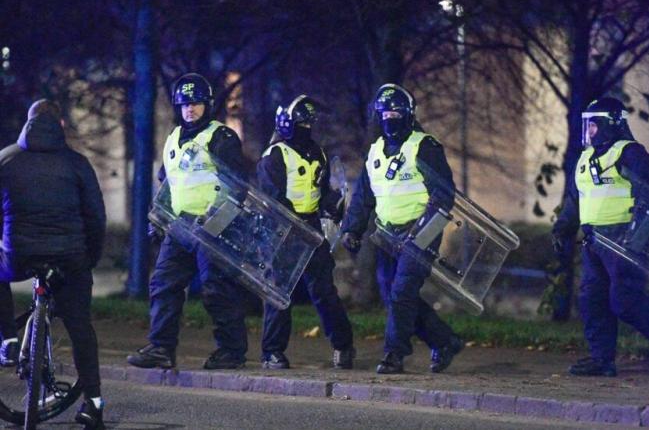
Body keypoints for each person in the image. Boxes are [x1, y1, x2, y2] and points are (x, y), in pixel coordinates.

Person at [127, 73, 250, 371]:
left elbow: (237, 186)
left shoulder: (221, 136)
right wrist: (159, 219)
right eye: (184, 104)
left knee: (215, 289)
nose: (190, 109)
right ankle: (161, 348)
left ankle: (231, 351)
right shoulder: (173, 138)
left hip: (212, 227)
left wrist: (217, 221)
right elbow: (167, 183)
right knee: (163, 284)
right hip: (180, 227)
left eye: (195, 103)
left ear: (207, 105)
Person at [340, 84, 463, 374]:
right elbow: (363, 197)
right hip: (387, 234)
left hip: (421, 233)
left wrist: (422, 230)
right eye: (384, 113)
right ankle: (444, 341)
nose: (390, 118)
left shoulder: (424, 146)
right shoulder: (375, 152)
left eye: (396, 112)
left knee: (401, 292)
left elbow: (444, 194)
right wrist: (352, 229)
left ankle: (394, 354)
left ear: (408, 114)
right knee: (394, 295)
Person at [552, 97, 649, 377]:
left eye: (594, 125)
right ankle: (602, 360)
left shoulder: (629, 153)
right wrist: (562, 228)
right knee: (592, 299)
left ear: (611, 123)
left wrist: (638, 237)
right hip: (594, 241)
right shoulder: (585, 158)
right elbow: (576, 199)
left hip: (624, 240)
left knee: (624, 300)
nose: (590, 131)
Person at [0, 99, 106, 429]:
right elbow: (96, 218)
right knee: (79, 326)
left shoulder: (5, 159)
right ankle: (94, 404)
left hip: (20, 254)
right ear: (61, 126)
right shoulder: (76, 163)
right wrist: (89, 258)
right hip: (69, 256)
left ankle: (7, 340)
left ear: (27, 124)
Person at [257, 95, 355, 369]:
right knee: (279, 291)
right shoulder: (275, 155)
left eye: (308, 123)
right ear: (287, 123)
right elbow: (272, 197)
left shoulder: (318, 153)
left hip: (310, 228)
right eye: (300, 122)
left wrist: (332, 204)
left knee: (323, 290)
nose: (305, 128)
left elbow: (321, 191)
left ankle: (343, 345)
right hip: (281, 229)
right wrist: (292, 223)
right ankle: (272, 352)